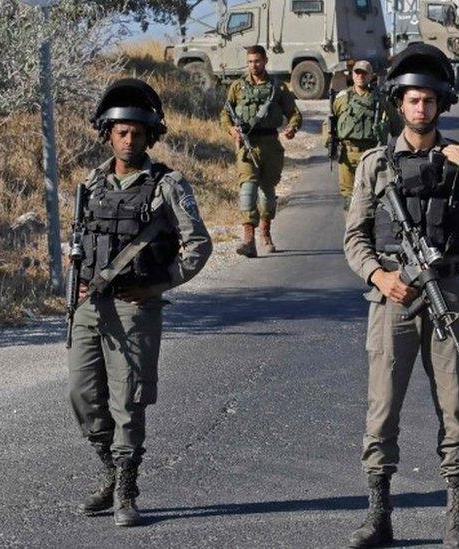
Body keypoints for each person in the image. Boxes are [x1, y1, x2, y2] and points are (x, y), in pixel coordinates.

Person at [343, 43, 459, 548]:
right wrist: (377, 277)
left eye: (429, 101)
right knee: (382, 408)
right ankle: (378, 514)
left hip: (447, 294)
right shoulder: (375, 164)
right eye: (413, 100)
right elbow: (354, 238)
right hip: (393, 296)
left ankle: (457, 515)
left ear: (441, 104)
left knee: (454, 406)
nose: (421, 109)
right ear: (399, 103)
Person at [68, 78, 212, 527]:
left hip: (135, 306)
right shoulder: (92, 182)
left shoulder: (166, 184)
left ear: (150, 134)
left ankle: (127, 489)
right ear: (108, 134)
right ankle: (110, 472)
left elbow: (198, 245)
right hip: (91, 304)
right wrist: (76, 276)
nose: (128, 140)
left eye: (136, 132)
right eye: (120, 132)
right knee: (82, 394)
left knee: (127, 399)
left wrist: (156, 287)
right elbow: (79, 239)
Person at [220, 45, 302, 257]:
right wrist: (232, 130)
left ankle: (265, 234)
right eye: (249, 61)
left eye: (257, 61)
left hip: (270, 145)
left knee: (267, 194)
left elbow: (293, 112)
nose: (253, 65)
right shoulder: (237, 87)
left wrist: (292, 127)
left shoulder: (278, 88)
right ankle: (248, 239)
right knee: (247, 190)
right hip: (247, 146)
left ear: (265, 61)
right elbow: (225, 115)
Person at [328, 60, 402, 210]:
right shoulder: (341, 99)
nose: (360, 76)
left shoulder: (382, 100)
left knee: (372, 198)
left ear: (371, 76)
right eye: (357, 72)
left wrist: (399, 153)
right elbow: (330, 122)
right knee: (349, 200)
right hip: (347, 155)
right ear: (352, 75)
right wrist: (330, 143)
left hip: (372, 154)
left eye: (364, 73)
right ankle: (352, 232)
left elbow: (398, 128)